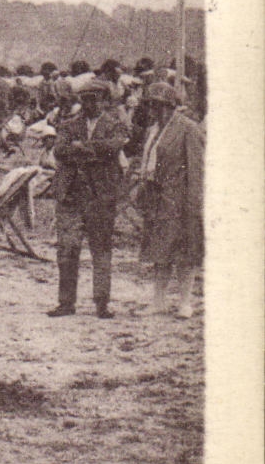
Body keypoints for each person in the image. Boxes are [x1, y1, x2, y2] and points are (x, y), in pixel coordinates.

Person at [48, 77, 130, 319]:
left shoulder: (116, 125)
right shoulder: (68, 124)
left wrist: (81, 147)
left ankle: (102, 303)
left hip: (100, 196)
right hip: (71, 196)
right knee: (67, 249)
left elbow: (113, 148)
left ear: (104, 100)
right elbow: (59, 150)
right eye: (84, 99)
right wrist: (94, 150)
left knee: (101, 250)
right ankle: (66, 303)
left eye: (93, 99)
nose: (88, 104)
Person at [135, 82, 205, 317]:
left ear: (170, 105)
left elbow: (196, 169)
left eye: (158, 105)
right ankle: (159, 301)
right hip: (157, 200)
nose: (154, 110)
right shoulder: (153, 130)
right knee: (159, 251)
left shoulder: (188, 128)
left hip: (180, 200)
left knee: (184, 252)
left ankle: (185, 302)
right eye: (151, 105)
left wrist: (194, 203)